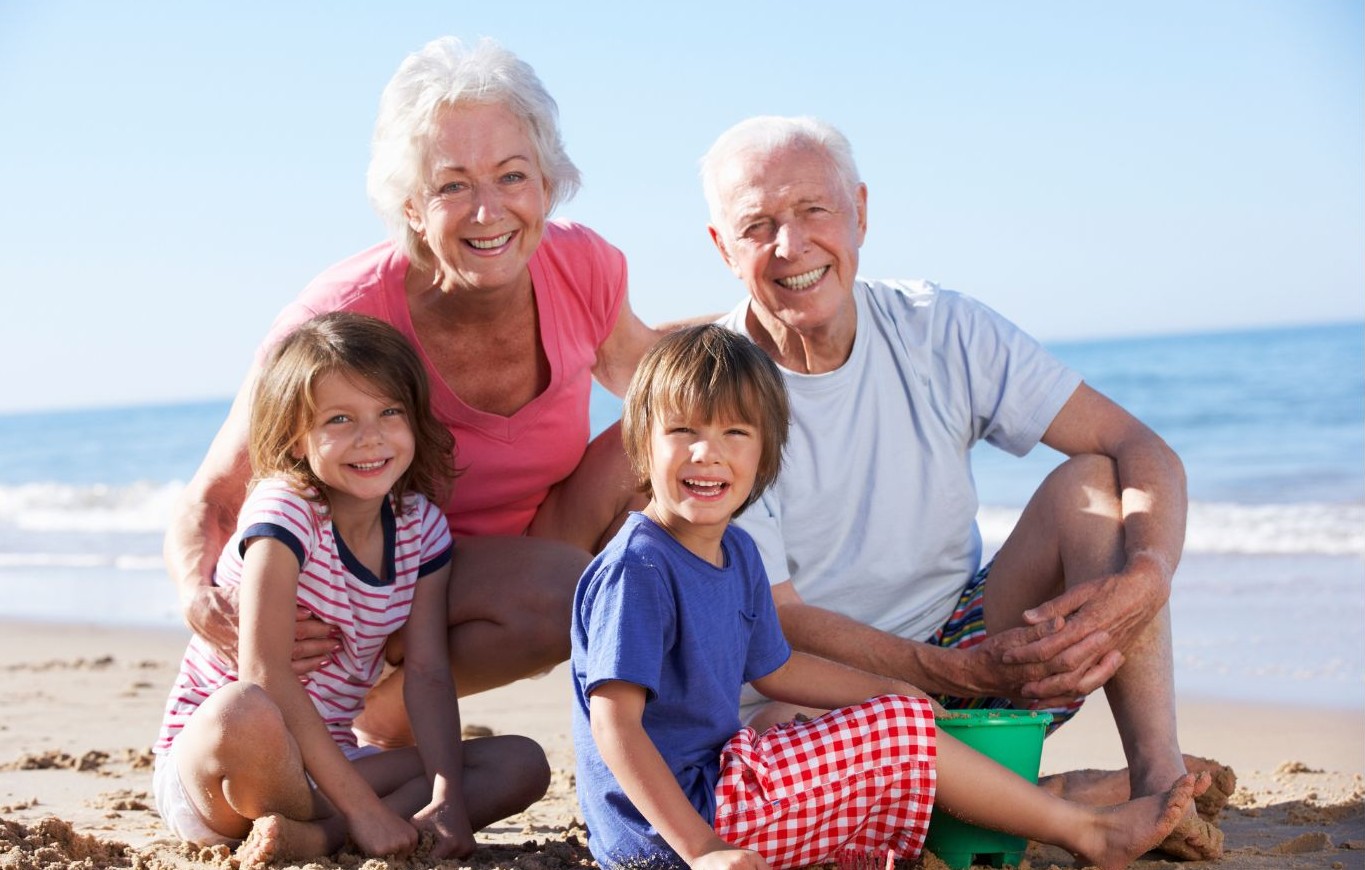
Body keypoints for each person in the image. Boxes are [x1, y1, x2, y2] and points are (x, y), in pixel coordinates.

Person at [700, 116, 1227, 861]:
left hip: (964, 646)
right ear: (723, 248)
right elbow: (776, 621)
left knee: (1092, 482)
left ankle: (1154, 776)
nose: (791, 246)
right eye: (757, 225)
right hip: (812, 694)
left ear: (859, 212)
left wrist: (1148, 576)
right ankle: (1050, 798)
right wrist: (942, 673)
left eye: (813, 210)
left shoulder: (936, 327)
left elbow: (1139, 447)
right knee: (780, 761)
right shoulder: (714, 395)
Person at [164, 36, 668, 747]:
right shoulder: (338, 318)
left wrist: (759, 331)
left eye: (512, 176)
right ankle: (382, 710)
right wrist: (199, 600)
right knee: (567, 589)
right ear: (408, 204)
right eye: (452, 185)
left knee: (664, 432)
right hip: (371, 593)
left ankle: (680, 720)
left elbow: (667, 378)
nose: (488, 211)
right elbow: (215, 495)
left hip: (513, 557)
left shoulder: (581, 267)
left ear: (547, 185)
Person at [571, 324, 1207, 870]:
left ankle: (1048, 797)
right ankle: (1086, 830)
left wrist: (894, 693)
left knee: (886, 721)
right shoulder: (640, 570)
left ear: (765, 456)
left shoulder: (734, 552)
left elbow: (777, 668)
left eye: (736, 433)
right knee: (896, 737)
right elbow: (615, 726)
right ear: (642, 443)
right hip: (671, 830)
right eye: (682, 430)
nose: (707, 453)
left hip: (721, 785)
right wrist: (702, 847)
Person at [153, 312, 550, 866]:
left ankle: (315, 838)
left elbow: (430, 673)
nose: (371, 437)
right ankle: (341, 824)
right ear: (295, 437)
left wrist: (447, 797)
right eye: (339, 419)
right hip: (223, 770)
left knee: (520, 763)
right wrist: (366, 809)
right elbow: (264, 676)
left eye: (390, 412)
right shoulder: (285, 511)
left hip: (332, 762)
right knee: (243, 708)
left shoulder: (420, 528)